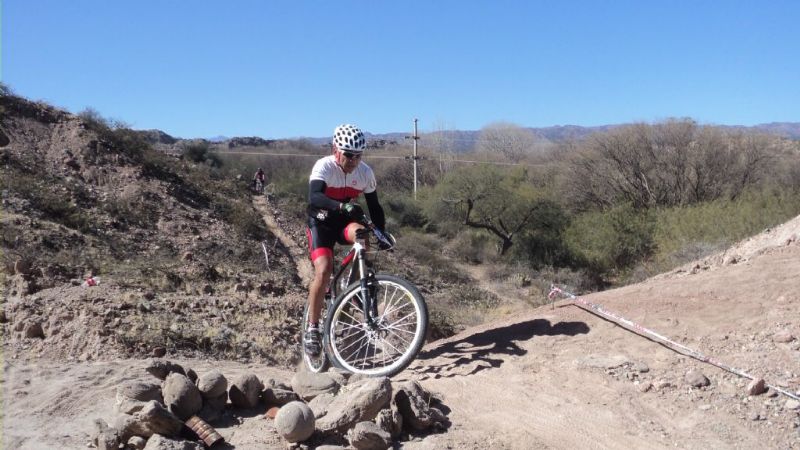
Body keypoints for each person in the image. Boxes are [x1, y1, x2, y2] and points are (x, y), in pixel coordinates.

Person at [304, 124, 386, 356]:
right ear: (335, 150)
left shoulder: (365, 172)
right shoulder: (324, 166)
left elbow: (375, 207)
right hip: (320, 223)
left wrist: (381, 232)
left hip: (343, 224)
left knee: (363, 234)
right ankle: (313, 328)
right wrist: (341, 205)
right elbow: (315, 196)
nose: (353, 160)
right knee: (323, 270)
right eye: (349, 155)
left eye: (358, 156)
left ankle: (352, 285)